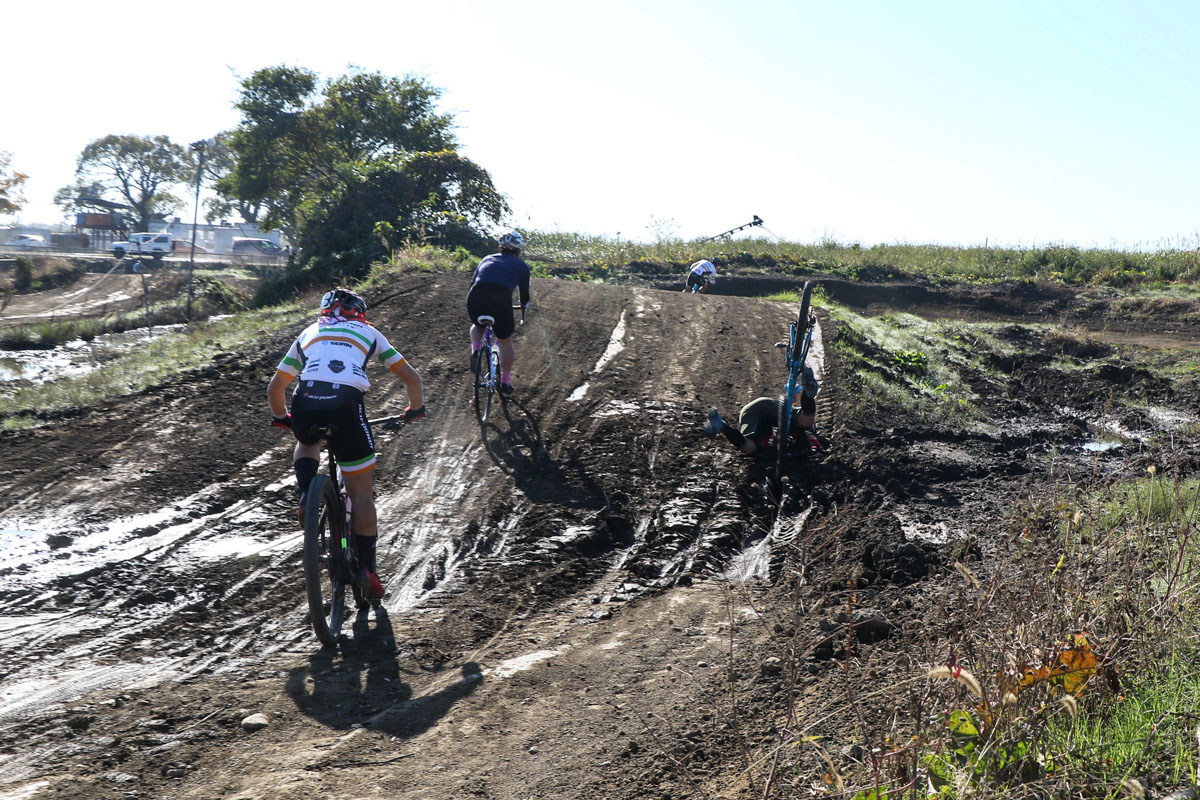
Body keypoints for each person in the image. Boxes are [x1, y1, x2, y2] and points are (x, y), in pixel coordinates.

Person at [267, 288, 425, 599]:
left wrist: (283, 417)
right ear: (361, 314)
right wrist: (415, 409)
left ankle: (305, 494)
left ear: (324, 312)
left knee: (306, 440)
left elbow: (276, 386)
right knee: (361, 492)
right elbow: (413, 379)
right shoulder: (370, 333)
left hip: (306, 399)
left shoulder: (310, 332)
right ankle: (367, 568)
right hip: (346, 404)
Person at [467, 231, 532, 397]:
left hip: (476, 296)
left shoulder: (487, 259)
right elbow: (524, 296)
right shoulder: (522, 266)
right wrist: (524, 307)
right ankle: (505, 381)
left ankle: (475, 349)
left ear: (500, 247)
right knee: (504, 340)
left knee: (477, 325)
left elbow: (473, 283)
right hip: (501, 298)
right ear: (519, 251)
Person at [704, 367, 823, 456]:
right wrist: (814, 443)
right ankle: (809, 392)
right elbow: (811, 434)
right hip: (755, 410)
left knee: (750, 448)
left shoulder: (763, 443)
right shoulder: (801, 430)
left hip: (764, 423)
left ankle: (721, 425)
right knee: (806, 421)